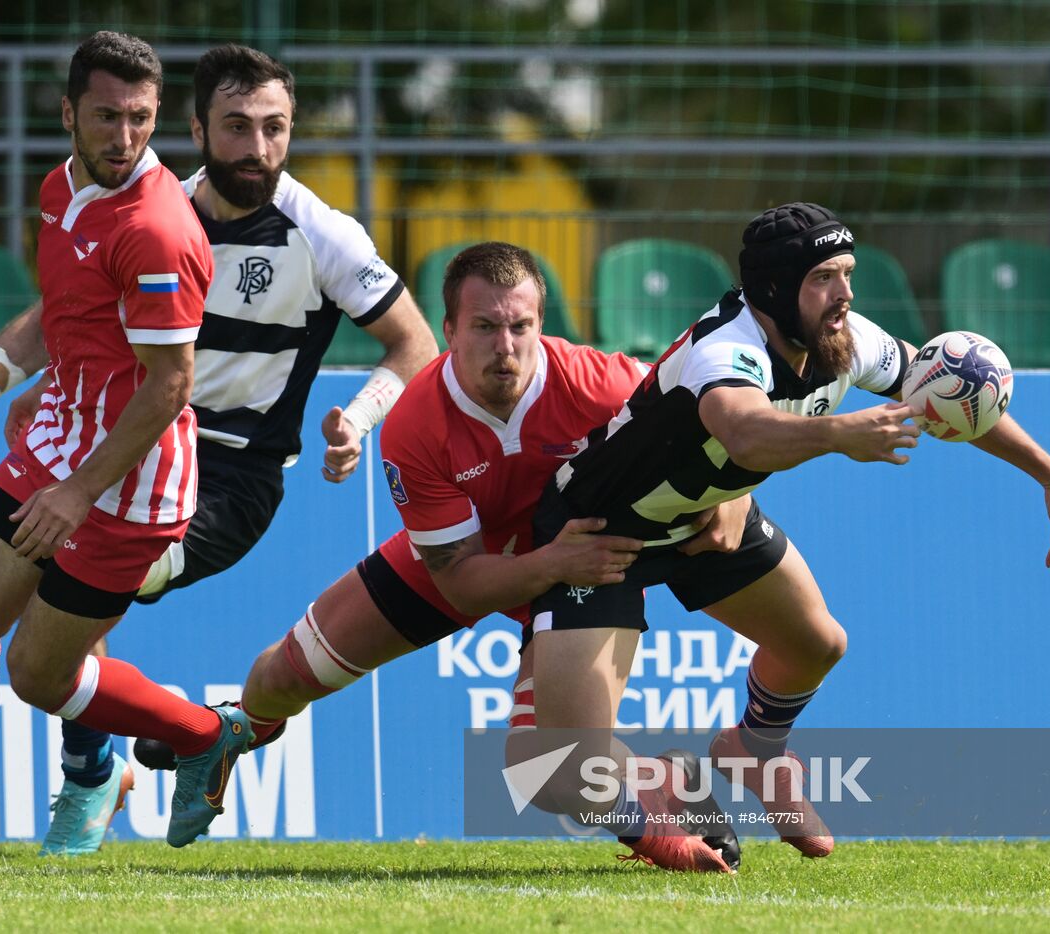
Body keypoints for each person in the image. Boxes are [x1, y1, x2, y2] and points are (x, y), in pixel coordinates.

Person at [0, 44, 436, 858]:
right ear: (198, 128)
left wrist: (358, 416)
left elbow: (414, 345)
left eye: (275, 128)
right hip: (116, 438)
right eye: (238, 127)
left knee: (29, 619)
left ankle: (90, 768)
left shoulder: (316, 234)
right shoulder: (127, 201)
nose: (257, 148)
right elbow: (60, 315)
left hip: (224, 482)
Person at [145, 241, 744, 870]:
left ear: (543, 326)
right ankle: (229, 734)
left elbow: (715, 413)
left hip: (583, 574)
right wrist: (549, 563)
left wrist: (735, 495)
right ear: (449, 329)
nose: (505, 346)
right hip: (470, 562)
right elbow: (458, 582)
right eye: (484, 327)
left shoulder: (604, 383)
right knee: (279, 675)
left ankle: (664, 809)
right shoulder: (415, 424)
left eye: (520, 327)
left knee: (544, 766)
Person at [524, 202, 1050, 858]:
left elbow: (947, 391)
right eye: (825, 276)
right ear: (774, 287)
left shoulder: (844, 340)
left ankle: (755, 750)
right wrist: (835, 434)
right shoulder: (726, 347)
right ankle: (667, 797)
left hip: (706, 515)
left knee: (818, 643)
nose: (846, 293)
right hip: (601, 535)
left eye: (848, 273)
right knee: (573, 770)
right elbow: (743, 428)